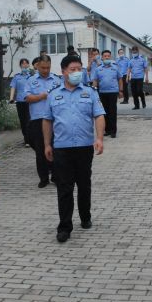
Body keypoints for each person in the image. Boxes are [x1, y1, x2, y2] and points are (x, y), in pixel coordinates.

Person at [42, 55, 105, 243]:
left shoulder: (90, 92)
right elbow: (47, 120)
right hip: (62, 148)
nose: (77, 72)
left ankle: (85, 217)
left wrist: (99, 138)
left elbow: (99, 115)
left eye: (80, 69)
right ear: (63, 72)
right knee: (64, 188)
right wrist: (47, 144)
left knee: (84, 185)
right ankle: (64, 227)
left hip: (84, 147)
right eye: (72, 69)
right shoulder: (53, 94)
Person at [23, 54, 61, 188]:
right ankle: (43, 178)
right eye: (43, 68)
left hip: (55, 119)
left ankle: (56, 176)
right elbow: (27, 98)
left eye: (48, 67)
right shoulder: (31, 80)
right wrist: (41, 96)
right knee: (40, 150)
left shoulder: (57, 80)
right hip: (38, 119)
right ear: (37, 66)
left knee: (56, 148)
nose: (45, 70)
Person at [91, 49, 123, 138]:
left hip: (113, 92)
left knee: (113, 112)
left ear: (110, 57)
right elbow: (95, 80)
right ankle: (107, 130)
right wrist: (94, 92)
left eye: (108, 56)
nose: (107, 57)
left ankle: (113, 131)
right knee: (104, 112)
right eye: (105, 56)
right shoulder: (98, 69)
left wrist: (121, 91)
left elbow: (120, 79)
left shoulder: (115, 67)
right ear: (102, 57)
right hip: (102, 93)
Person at [8, 58, 32, 147]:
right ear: (20, 65)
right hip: (20, 101)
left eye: (26, 63)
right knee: (22, 121)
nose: (24, 65)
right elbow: (13, 87)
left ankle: (28, 140)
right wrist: (11, 98)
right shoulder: (17, 77)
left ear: (28, 65)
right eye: (23, 64)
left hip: (29, 101)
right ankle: (26, 138)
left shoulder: (32, 77)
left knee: (28, 120)